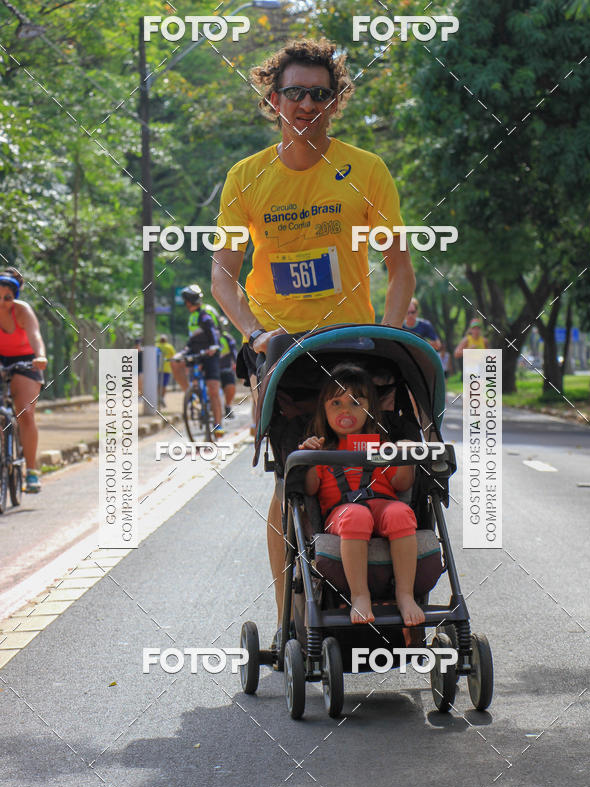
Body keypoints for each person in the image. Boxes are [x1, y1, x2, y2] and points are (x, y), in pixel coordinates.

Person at [211, 38, 416, 650]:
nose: (306, 104)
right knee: (291, 481)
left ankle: (385, 589)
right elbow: (223, 272)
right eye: (294, 92)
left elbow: (400, 264)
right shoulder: (247, 178)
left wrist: (393, 329)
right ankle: (285, 622)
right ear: (273, 100)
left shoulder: (367, 170)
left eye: (319, 94)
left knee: (375, 466)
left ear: (336, 101)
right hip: (279, 350)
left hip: (351, 346)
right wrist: (254, 332)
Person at [299, 364, 423, 627]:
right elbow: (309, 490)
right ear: (324, 409)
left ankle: (405, 594)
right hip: (342, 514)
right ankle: (360, 594)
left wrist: (404, 456)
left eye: (356, 402)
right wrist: (309, 458)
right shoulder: (322, 449)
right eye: (336, 402)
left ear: (370, 409)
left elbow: (402, 485)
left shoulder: (380, 445)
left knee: (402, 512)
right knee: (356, 515)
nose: (346, 410)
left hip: (383, 505)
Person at [0, 267, 47, 493]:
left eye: (7, 297)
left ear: (15, 297)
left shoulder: (23, 311)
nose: (2, 301)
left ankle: (31, 472)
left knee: (25, 413)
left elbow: (35, 336)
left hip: (27, 361)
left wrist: (40, 356)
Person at [170, 285, 224, 437]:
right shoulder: (192, 316)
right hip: (195, 352)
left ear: (188, 302)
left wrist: (214, 346)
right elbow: (192, 339)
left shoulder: (204, 314)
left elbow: (212, 331)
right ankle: (191, 395)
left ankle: (218, 424)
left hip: (210, 353)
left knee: (213, 390)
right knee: (175, 362)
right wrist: (183, 352)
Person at [219, 330, 238, 419]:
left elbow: (234, 352)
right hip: (210, 370)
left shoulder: (227, 338)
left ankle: (227, 406)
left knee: (230, 387)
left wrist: (236, 363)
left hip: (226, 369)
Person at [156, 334, 175, 405]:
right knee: (164, 385)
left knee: (158, 385)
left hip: (158, 369)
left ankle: (159, 398)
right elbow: (174, 357)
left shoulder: (156, 346)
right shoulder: (169, 347)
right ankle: (161, 398)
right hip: (166, 369)